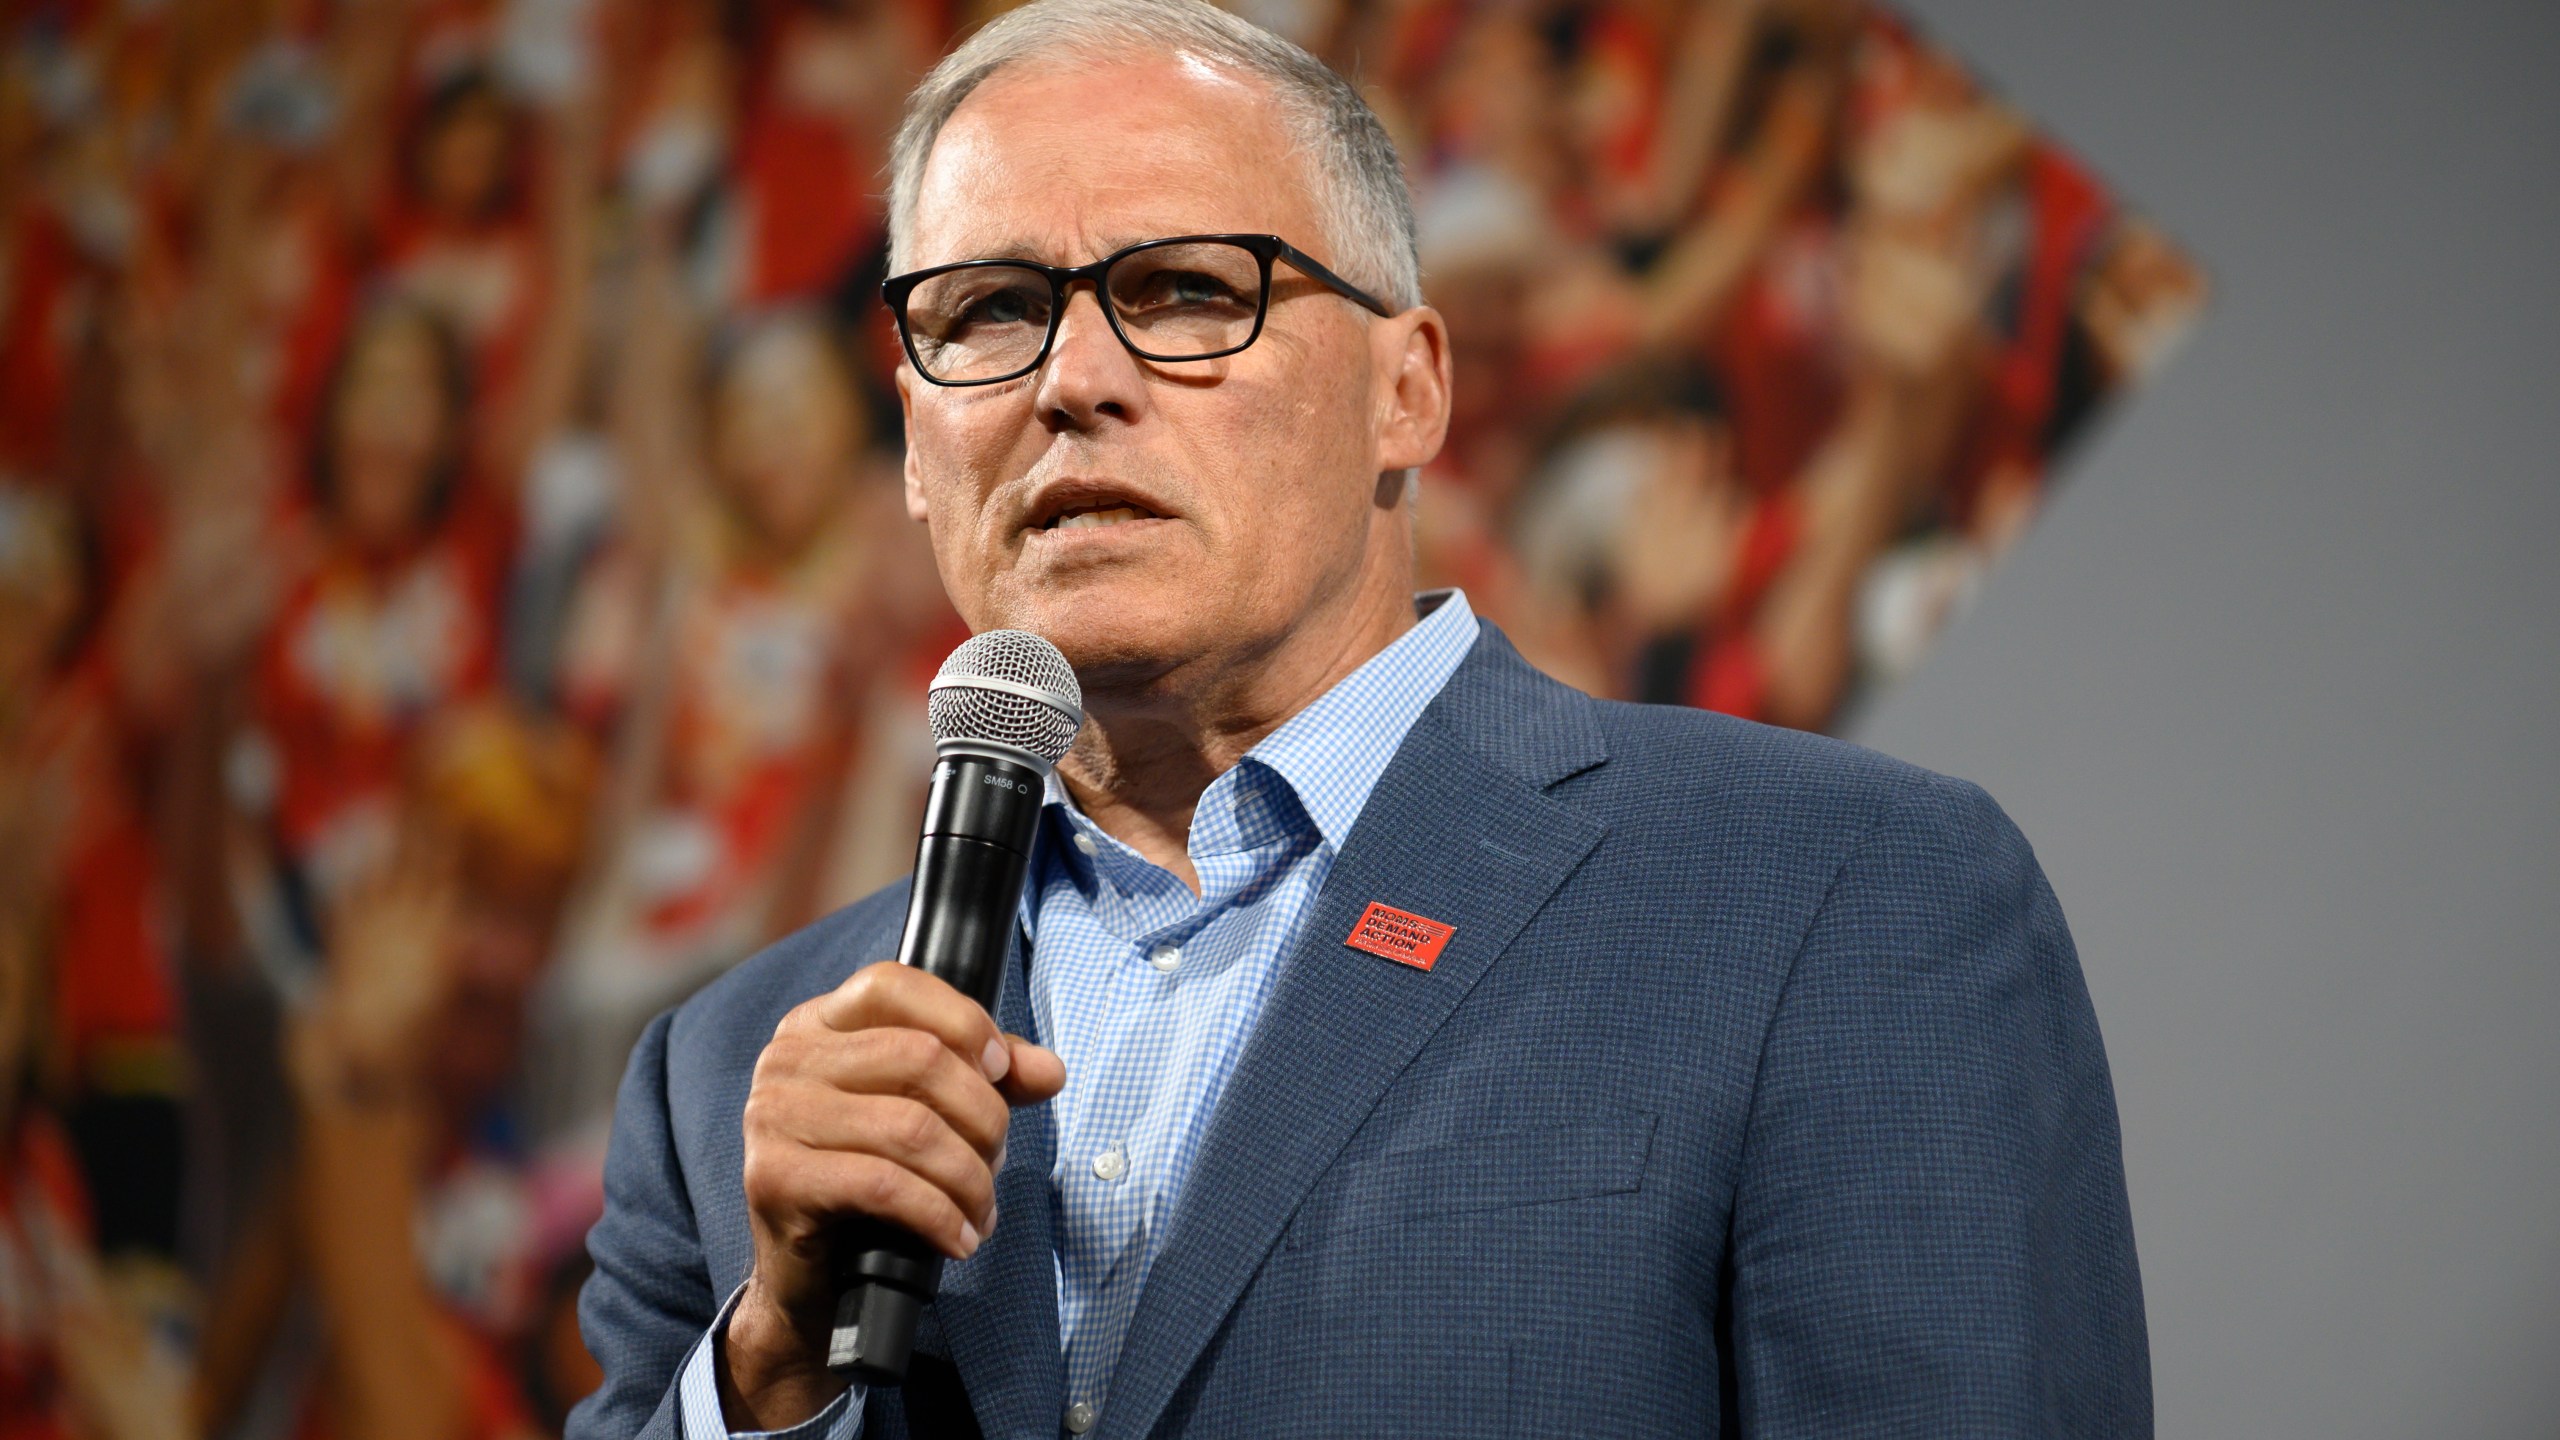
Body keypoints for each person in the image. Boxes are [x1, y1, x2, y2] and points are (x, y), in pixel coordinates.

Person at [569, 2, 2148, 1436]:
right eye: (986, 313)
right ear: (916, 448)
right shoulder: (722, 1082)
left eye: (1186, 290)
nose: (1074, 379)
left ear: (1411, 391)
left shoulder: (1835, 895)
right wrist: (773, 1363)